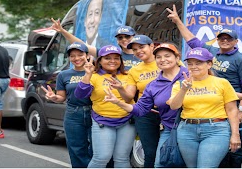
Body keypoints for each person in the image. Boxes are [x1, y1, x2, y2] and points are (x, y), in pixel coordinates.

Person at [165, 4, 242, 167]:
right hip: (189, 127)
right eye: (221, 38)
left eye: (229, 39)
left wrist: (241, 110)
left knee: (235, 153)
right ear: (217, 40)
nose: (225, 41)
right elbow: (192, 40)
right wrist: (178, 21)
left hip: (225, 112)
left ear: (236, 41)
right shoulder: (209, 52)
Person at [104, 43, 187, 168]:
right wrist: (117, 102)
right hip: (170, 129)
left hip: (192, 128)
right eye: (159, 57)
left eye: (167, 56)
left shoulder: (191, 75)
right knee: (160, 163)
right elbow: (140, 109)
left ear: (177, 58)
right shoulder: (153, 85)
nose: (163, 59)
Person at [168, 48, 241, 168]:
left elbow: (232, 110)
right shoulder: (181, 83)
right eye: (190, 63)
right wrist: (184, 89)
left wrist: (235, 134)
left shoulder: (222, 82)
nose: (193, 66)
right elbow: (174, 106)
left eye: (198, 63)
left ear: (209, 64)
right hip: (186, 130)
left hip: (216, 130)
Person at [75, 45, 135, 168]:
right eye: (107, 58)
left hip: (127, 122)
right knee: (101, 158)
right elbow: (80, 95)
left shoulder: (128, 74)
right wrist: (87, 74)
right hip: (103, 121)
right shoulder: (94, 76)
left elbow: (129, 98)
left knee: (122, 159)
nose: (112, 61)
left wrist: (120, 87)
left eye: (116, 58)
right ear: (100, 61)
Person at [111, 35, 161, 168]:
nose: (138, 51)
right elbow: (129, 97)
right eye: (135, 49)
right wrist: (120, 88)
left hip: (169, 113)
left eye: (141, 47)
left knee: (168, 150)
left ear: (152, 46)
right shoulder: (134, 70)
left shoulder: (165, 61)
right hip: (146, 114)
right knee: (150, 152)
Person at [42, 42, 93, 168]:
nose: (76, 58)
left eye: (80, 54)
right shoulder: (64, 75)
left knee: (97, 148)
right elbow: (61, 97)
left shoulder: (95, 72)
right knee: (76, 148)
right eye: (72, 56)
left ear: (87, 55)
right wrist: (54, 98)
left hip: (95, 113)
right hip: (73, 114)